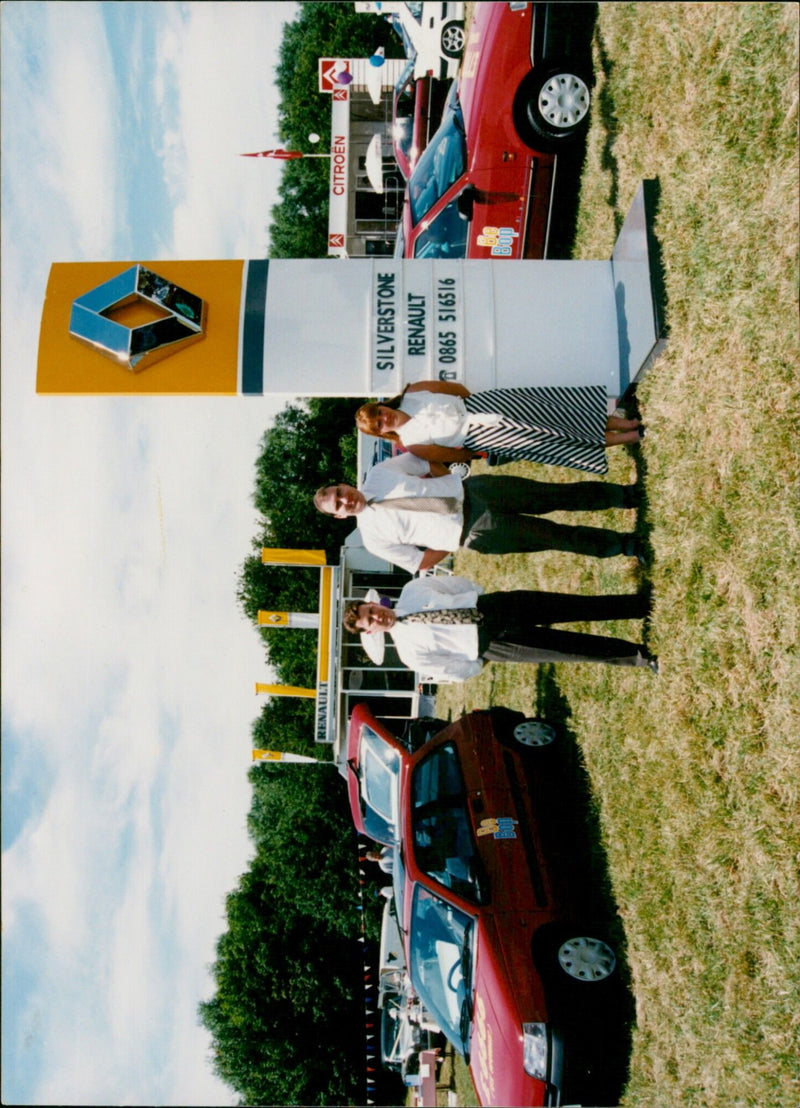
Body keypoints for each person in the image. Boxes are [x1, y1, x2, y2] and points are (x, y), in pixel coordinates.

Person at [313, 452, 645, 574]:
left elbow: (419, 462)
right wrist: (452, 538)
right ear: (339, 516)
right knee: (556, 537)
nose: (345, 500)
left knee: (555, 494)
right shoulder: (373, 540)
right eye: (338, 506)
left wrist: (448, 479)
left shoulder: (379, 474)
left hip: (479, 491)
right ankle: (626, 545)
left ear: (343, 485)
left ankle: (626, 495)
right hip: (476, 532)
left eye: (340, 493)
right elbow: (421, 562)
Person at [343, 576, 658, 681]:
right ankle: (639, 656)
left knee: (568, 605)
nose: (376, 617)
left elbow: (453, 585)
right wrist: (480, 658)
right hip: (491, 644)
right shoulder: (410, 654)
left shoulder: (413, 590)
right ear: (371, 632)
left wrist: (479, 597)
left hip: (492, 607)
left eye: (372, 611)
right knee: (569, 648)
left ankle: (638, 605)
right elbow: (453, 670)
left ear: (375, 604)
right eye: (369, 621)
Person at [355, 379, 644, 475]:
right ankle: (630, 437)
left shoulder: (413, 391)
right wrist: (476, 447)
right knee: (556, 441)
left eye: (379, 412)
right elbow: (452, 455)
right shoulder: (412, 442)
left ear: (383, 405)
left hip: (489, 403)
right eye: (378, 424)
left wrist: (478, 404)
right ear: (381, 433)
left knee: (559, 414)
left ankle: (627, 422)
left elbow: (454, 388)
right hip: (484, 435)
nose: (384, 419)